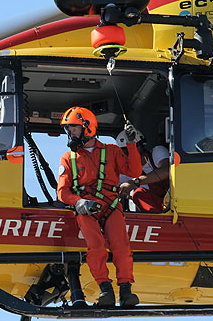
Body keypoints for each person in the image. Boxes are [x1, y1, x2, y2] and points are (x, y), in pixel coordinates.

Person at [57, 106, 142, 308]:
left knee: (121, 246)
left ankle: (126, 291)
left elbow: (134, 170)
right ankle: (106, 290)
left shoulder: (111, 151)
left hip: (111, 206)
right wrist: (78, 203)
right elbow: (62, 192)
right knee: (95, 247)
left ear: (87, 128)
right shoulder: (67, 158)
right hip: (86, 209)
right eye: (69, 129)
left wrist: (131, 144)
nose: (70, 133)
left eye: (74, 128)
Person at [116, 130, 169, 212]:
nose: (129, 152)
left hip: (176, 202)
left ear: (142, 145)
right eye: (124, 151)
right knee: (138, 194)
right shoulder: (127, 171)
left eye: (133, 146)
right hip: (158, 209)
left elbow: (166, 170)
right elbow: (112, 185)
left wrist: (135, 182)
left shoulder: (157, 152)